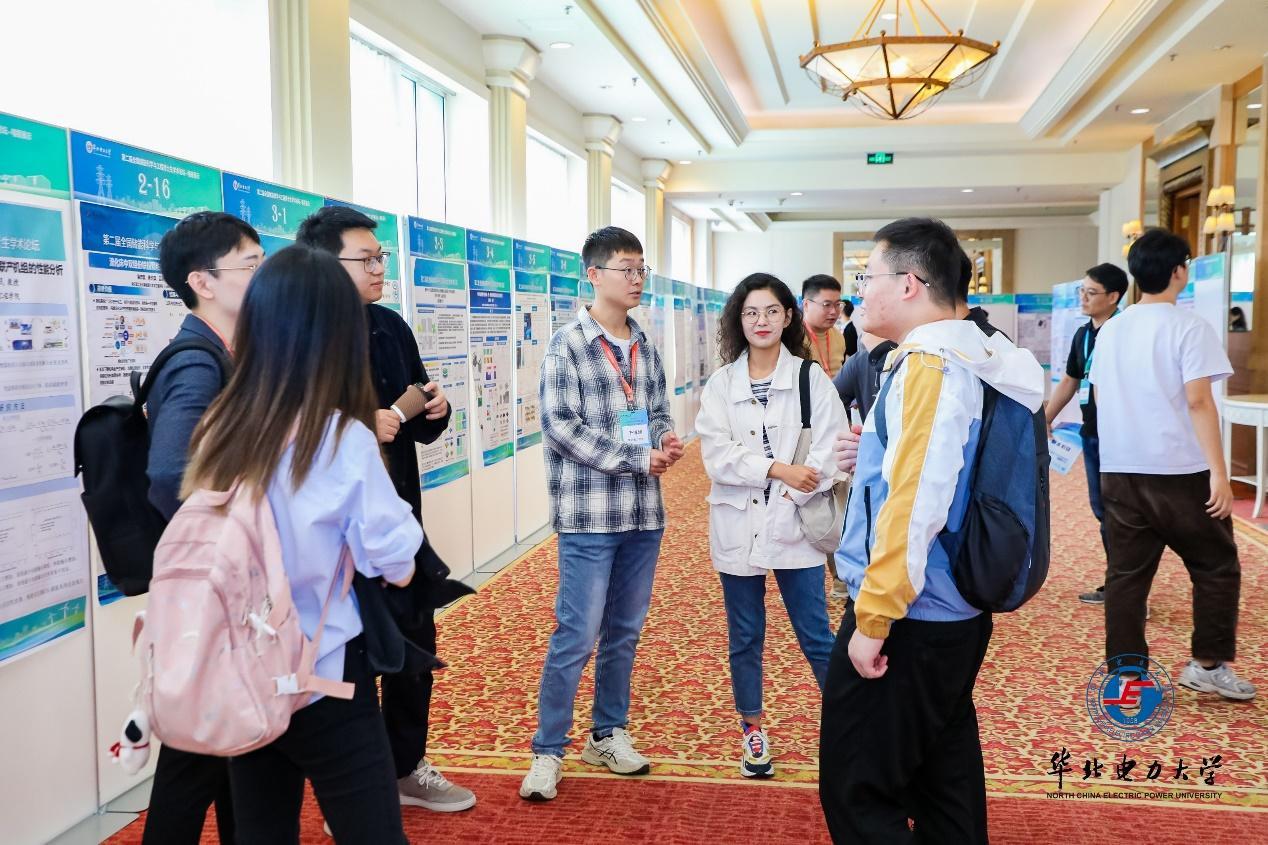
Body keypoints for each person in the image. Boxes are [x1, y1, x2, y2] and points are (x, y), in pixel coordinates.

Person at [182, 245, 419, 844]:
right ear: (336, 336)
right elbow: (395, 562)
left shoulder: (220, 426)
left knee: (261, 829)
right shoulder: (339, 437)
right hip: (323, 673)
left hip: (242, 666)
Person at [819, 218, 1045, 843]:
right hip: (955, 607)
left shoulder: (930, 364)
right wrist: (874, 450)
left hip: (910, 614)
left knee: (858, 787)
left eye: (867, 277)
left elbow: (916, 500)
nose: (861, 291)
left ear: (910, 284)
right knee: (945, 780)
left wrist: (873, 618)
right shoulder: (981, 353)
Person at [295, 206, 476, 813]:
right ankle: (348, 788)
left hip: (395, 518)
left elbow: (420, 419)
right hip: (327, 539)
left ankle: (405, 767)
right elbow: (291, 432)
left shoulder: (389, 326)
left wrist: (434, 410)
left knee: (411, 648)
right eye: (366, 259)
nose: (379, 269)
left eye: (382, 257)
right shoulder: (302, 336)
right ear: (325, 263)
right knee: (342, 662)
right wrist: (359, 425)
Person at [520, 226, 684, 801]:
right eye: (626, 269)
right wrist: (637, 457)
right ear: (593, 274)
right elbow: (560, 427)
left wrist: (663, 440)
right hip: (589, 516)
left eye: (641, 269)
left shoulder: (644, 344)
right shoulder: (567, 345)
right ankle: (547, 750)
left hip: (642, 514)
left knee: (624, 633)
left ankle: (608, 732)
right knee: (577, 634)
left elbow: (657, 410)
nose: (637, 279)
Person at [1091, 228, 1256, 701]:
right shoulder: (1188, 326)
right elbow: (1199, 401)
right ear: (1179, 271)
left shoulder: (1112, 328)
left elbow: (1099, 396)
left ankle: (1127, 674)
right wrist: (1220, 473)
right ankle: (1207, 664)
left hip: (1120, 469)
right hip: (1179, 472)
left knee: (1126, 576)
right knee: (1216, 564)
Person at [142, 210, 263, 845]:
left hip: (224, 590)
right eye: (250, 266)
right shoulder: (197, 362)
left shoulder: (231, 352)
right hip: (213, 589)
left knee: (225, 744)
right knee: (200, 750)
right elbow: (170, 473)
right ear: (202, 282)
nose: (263, 277)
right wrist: (226, 543)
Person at [695, 273, 842, 778]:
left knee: (816, 633)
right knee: (745, 635)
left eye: (772, 311)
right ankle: (752, 729)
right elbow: (717, 456)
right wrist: (779, 469)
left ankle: (849, 726)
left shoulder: (809, 378)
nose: (762, 321)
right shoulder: (722, 384)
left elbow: (831, 448)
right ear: (739, 320)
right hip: (738, 524)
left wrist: (801, 484)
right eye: (751, 312)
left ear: (788, 317)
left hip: (796, 523)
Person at [1044, 263, 1128, 605]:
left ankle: (1129, 589)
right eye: (1082, 291)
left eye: (1091, 293)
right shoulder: (1083, 334)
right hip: (1092, 433)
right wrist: (1046, 418)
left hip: (1123, 436)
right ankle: (1118, 582)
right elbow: (1071, 379)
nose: (1083, 298)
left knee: (1124, 512)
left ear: (1114, 296)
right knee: (1103, 510)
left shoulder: (1124, 332)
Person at [800, 274, 848, 376]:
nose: (834, 311)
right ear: (806, 305)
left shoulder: (839, 337)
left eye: (837, 304)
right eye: (827, 305)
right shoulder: (794, 338)